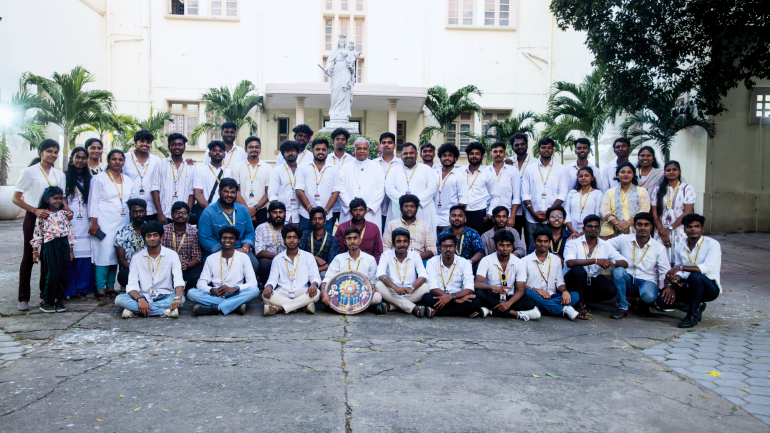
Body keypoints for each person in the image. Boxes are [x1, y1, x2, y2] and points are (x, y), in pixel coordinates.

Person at [13, 139, 68, 311]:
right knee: (29, 256)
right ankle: (23, 298)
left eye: (56, 152)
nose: (53, 155)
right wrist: (35, 210)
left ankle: (47, 296)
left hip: (55, 219)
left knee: (51, 259)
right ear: (41, 152)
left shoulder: (60, 175)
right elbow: (16, 198)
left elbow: (62, 200)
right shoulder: (29, 172)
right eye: (49, 151)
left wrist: (68, 212)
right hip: (34, 217)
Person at [661, 214, 722, 328]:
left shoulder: (712, 244)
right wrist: (674, 281)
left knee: (695, 276)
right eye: (689, 227)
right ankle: (697, 306)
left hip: (709, 288)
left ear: (702, 229)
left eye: (696, 226)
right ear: (684, 229)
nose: (693, 229)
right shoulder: (681, 246)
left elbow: (706, 268)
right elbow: (679, 271)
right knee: (662, 301)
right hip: (689, 286)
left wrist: (680, 268)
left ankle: (692, 316)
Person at [89, 149, 134, 304]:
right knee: (103, 254)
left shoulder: (128, 180)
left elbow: (131, 201)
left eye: (120, 159)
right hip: (104, 221)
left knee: (115, 254)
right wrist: (94, 221)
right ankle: (100, 289)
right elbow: (93, 200)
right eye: (114, 159)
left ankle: (110, 286)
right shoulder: (99, 178)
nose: (117, 162)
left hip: (122, 221)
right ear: (108, 161)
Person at [115, 222, 185, 319]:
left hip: (165, 295)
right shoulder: (136, 258)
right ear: (144, 239)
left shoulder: (172, 255)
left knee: (181, 299)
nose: (152, 239)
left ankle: (135, 311)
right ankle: (164, 311)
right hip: (143, 295)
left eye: (155, 235)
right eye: (148, 236)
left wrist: (177, 298)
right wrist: (140, 299)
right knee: (119, 299)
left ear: (161, 237)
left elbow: (178, 279)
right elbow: (132, 284)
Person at [564, 214, 628, 319]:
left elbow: (625, 262)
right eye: (590, 226)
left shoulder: (605, 245)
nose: (593, 229)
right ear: (583, 229)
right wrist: (596, 261)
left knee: (611, 290)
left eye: (596, 227)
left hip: (591, 278)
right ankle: (580, 304)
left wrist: (610, 262)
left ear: (599, 229)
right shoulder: (573, 242)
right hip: (572, 280)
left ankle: (587, 300)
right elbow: (569, 263)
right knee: (578, 270)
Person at [607, 213, 669, 319]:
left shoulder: (659, 248)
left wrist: (668, 287)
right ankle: (623, 307)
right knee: (617, 271)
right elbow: (603, 246)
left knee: (649, 297)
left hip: (647, 280)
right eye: (639, 224)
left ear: (651, 226)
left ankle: (643, 305)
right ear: (634, 226)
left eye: (646, 225)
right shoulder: (623, 239)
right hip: (628, 278)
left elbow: (665, 270)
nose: (643, 228)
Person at [188, 226, 260, 316]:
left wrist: (236, 288)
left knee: (255, 290)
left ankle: (217, 308)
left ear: (236, 241)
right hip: (217, 294)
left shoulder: (244, 257)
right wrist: (212, 290)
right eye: (224, 238)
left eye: (231, 238)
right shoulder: (211, 258)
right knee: (191, 293)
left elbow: (252, 282)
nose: (227, 240)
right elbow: (201, 283)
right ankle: (234, 306)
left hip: (236, 293)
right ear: (220, 240)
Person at [321, 226, 388, 315]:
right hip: (342, 293)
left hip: (361, 294)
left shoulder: (370, 259)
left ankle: (338, 307)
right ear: (345, 242)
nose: (352, 241)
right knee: (329, 295)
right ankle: (366, 308)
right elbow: (327, 278)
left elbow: (374, 281)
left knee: (377, 297)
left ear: (360, 240)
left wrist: (373, 287)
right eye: (349, 239)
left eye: (355, 238)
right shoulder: (339, 258)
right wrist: (323, 292)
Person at [475, 229, 540, 320]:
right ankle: (514, 313)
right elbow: (477, 284)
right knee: (479, 293)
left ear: (512, 247)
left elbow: (520, 289)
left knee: (530, 302)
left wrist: (508, 303)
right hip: (491, 295)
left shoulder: (519, 263)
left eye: (508, 245)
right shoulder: (486, 260)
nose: (505, 249)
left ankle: (491, 310)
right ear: (495, 247)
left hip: (508, 297)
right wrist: (493, 288)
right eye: (501, 245)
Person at [31, 186, 75, 313]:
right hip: (50, 245)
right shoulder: (43, 215)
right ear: (47, 199)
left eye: (60, 198)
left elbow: (70, 232)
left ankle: (59, 299)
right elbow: (37, 234)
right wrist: (35, 252)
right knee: (51, 273)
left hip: (64, 244)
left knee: (63, 273)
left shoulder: (65, 214)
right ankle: (47, 301)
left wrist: (71, 251)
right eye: (55, 198)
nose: (58, 201)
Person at [263, 224, 322, 316]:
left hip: (302, 292)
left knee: (317, 292)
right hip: (283, 292)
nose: (292, 240)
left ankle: (279, 308)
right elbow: (272, 279)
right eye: (289, 237)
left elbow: (315, 277)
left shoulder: (308, 257)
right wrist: (268, 287)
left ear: (299, 240)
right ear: (284, 240)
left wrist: (314, 284)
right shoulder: (277, 259)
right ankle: (302, 305)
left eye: (295, 237)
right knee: (265, 296)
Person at [522, 228, 580, 320]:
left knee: (575, 296)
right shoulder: (524, 261)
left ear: (549, 243)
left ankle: (539, 307)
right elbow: (521, 285)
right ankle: (563, 309)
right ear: (534, 243)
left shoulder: (556, 260)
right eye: (539, 241)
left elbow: (559, 281)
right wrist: (537, 290)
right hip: (534, 294)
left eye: (545, 241)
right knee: (527, 292)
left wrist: (564, 291)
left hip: (551, 296)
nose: (542, 244)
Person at [422, 233, 483, 318]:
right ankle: (463, 312)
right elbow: (432, 287)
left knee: (477, 301)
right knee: (426, 297)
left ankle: (438, 311)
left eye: (451, 246)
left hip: (458, 295)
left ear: (456, 247)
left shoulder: (465, 263)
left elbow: (469, 288)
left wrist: (451, 296)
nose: (448, 249)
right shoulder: (432, 262)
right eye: (444, 246)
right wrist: (455, 301)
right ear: (439, 248)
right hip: (440, 296)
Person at [197, 178, 256, 265]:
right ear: (219, 192)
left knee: (253, 264)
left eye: (232, 192)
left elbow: (250, 232)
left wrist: (245, 248)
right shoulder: (208, 212)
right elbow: (205, 237)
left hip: (240, 249)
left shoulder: (243, 210)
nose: (229, 195)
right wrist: (225, 252)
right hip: (217, 251)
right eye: (226, 191)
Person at [521, 137, 569, 242]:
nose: (546, 150)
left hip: (553, 218)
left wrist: (549, 213)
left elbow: (563, 193)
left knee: (552, 246)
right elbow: (524, 193)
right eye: (543, 147)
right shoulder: (529, 169)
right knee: (532, 246)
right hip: (532, 217)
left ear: (553, 150)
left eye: (549, 147)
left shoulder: (561, 169)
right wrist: (533, 213)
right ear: (538, 150)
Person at [376, 228, 430, 316]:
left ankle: (391, 306)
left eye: (405, 241)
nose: (402, 244)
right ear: (393, 243)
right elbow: (380, 273)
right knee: (379, 285)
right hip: (392, 292)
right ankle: (413, 308)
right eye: (399, 241)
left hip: (410, 292)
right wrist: (395, 287)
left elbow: (423, 275)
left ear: (409, 243)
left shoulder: (415, 256)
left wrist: (412, 288)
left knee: (425, 287)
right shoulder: (386, 255)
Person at [64, 147, 94, 300]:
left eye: (83, 158)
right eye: (77, 157)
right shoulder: (65, 176)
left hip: (86, 218)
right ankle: (69, 289)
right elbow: (62, 197)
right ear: (72, 158)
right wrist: (67, 210)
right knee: (71, 254)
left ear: (87, 160)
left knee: (85, 255)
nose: (80, 160)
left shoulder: (90, 177)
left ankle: (81, 289)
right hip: (70, 217)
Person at [385, 142, 438, 229]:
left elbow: (432, 188)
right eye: (405, 153)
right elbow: (389, 189)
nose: (408, 155)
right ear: (401, 155)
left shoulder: (426, 169)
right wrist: (404, 203)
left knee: (422, 234)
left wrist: (415, 202)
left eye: (411, 153)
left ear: (416, 154)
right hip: (399, 209)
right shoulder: (394, 170)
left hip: (422, 209)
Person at [338, 137, 386, 231]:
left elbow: (380, 191)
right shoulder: (345, 168)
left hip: (370, 213)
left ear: (368, 150)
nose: (362, 151)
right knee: (348, 236)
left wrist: (368, 208)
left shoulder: (377, 168)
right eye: (359, 148)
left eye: (365, 148)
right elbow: (341, 189)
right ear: (354, 150)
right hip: (350, 212)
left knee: (370, 235)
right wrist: (352, 208)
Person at [651, 160, 695, 263]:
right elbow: (654, 214)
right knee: (660, 258)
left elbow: (687, 213)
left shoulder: (687, 189)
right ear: (664, 172)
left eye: (674, 169)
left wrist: (669, 229)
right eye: (668, 170)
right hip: (661, 228)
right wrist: (663, 232)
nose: (671, 172)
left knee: (679, 258)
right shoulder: (658, 190)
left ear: (679, 171)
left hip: (679, 228)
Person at [296, 137, 340, 232]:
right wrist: (311, 210)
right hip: (306, 215)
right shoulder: (303, 167)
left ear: (328, 151)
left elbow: (336, 192)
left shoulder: (334, 169)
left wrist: (325, 212)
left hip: (326, 217)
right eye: (317, 149)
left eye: (323, 149)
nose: (321, 152)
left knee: (325, 240)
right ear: (312, 150)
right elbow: (299, 190)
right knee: (306, 240)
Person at [151, 132, 196, 225]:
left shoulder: (190, 167)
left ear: (184, 147)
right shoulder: (160, 165)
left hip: (182, 216)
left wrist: (187, 213)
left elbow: (191, 193)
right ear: (169, 147)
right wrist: (159, 213)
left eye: (180, 144)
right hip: (164, 215)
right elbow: (155, 189)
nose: (177, 147)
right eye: (173, 144)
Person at [600, 162, 651, 237]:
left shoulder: (642, 191)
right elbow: (604, 210)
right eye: (622, 172)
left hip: (635, 229)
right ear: (617, 175)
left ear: (633, 175)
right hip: (613, 231)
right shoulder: (609, 192)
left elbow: (644, 209)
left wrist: (628, 223)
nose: (626, 174)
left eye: (629, 172)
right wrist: (618, 225)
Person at [161, 202, 202, 292]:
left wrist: (187, 265)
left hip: (186, 265)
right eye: (177, 213)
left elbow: (197, 257)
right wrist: (174, 262)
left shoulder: (194, 232)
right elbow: (161, 251)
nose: (180, 215)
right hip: (167, 264)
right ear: (172, 215)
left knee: (197, 275)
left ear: (188, 215)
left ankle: (187, 293)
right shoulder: (164, 230)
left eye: (184, 213)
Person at [382, 195, 437, 262]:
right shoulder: (392, 224)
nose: (409, 209)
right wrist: (399, 258)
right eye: (406, 206)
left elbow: (433, 250)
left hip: (419, 261)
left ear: (417, 208)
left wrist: (415, 258)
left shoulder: (425, 226)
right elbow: (385, 248)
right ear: (400, 208)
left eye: (412, 206)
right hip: (396, 261)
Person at [232, 136, 272, 228]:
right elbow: (235, 191)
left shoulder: (267, 168)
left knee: (260, 236)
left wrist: (255, 209)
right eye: (251, 147)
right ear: (245, 149)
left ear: (260, 149)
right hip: (241, 210)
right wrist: (247, 211)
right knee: (241, 235)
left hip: (261, 210)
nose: (254, 149)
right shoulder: (237, 167)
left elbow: (268, 192)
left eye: (257, 147)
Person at [123, 130, 162, 221]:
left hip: (151, 209)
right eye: (141, 141)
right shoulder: (125, 158)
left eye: (148, 142)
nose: (145, 144)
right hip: (130, 209)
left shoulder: (156, 160)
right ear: (135, 143)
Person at [461, 142, 498, 234]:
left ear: (482, 156)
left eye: (477, 154)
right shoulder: (460, 172)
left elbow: (495, 196)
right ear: (468, 156)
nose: (474, 156)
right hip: (461, 213)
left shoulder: (488, 174)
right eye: (471, 154)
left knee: (479, 241)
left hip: (479, 215)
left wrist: (489, 215)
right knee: (462, 240)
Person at [437, 206, 485, 271]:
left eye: (460, 216)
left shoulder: (472, 233)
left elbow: (481, 251)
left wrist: (469, 262)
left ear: (465, 219)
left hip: (469, 266)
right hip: (448, 267)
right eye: (454, 216)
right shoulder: (443, 235)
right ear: (449, 219)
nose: (457, 218)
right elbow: (439, 254)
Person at [434, 143, 469, 233]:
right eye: (444, 155)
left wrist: (456, 219)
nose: (447, 158)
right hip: (433, 218)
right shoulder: (434, 173)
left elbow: (463, 201)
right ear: (440, 158)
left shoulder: (460, 176)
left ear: (455, 158)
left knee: (449, 241)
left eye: (450, 155)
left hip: (449, 220)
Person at [115, 198, 148, 292]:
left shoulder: (152, 230)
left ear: (146, 212)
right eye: (135, 212)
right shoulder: (122, 233)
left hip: (151, 268)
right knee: (123, 275)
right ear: (130, 214)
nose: (138, 214)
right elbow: (121, 260)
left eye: (141, 211)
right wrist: (137, 271)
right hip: (131, 269)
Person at [336, 198, 383, 262]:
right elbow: (339, 251)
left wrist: (374, 265)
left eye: (361, 210)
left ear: (365, 211)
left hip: (368, 263)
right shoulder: (342, 227)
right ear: (350, 212)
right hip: (347, 262)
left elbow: (378, 253)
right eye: (355, 210)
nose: (358, 213)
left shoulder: (373, 228)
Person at [193, 141, 232, 217]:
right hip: (207, 212)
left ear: (224, 155)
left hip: (226, 212)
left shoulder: (230, 172)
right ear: (209, 154)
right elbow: (197, 194)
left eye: (220, 151)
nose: (217, 153)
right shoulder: (201, 171)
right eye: (214, 150)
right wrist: (211, 212)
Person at [485, 141, 520, 230]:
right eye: (495, 151)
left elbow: (516, 197)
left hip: (505, 215)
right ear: (490, 154)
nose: (498, 154)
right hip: (488, 214)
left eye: (501, 151)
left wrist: (512, 217)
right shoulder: (484, 171)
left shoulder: (513, 171)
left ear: (504, 154)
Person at [507, 133, 533, 246]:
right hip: (514, 208)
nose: (520, 147)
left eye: (522, 144)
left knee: (530, 240)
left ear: (526, 145)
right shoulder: (507, 162)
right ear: (513, 147)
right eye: (516, 145)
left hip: (530, 208)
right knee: (513, 239)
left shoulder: (535, 162)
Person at [299, 207, 339, 277]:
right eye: (314, 219)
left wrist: (314, 270)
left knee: (324, 274)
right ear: (310, 221)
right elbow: (299, 254)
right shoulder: (304, 235)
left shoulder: (332, 240)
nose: (317, 221)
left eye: (320, 218)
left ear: (325, 221)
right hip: (305, 268)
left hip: (322, 270)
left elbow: (331, 264)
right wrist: (316, 258)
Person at [268, 140, 303, 224]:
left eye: (293, 150)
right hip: (283, 215)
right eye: (287, 151)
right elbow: (272, 194)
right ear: (283, 154)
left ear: (297, 152)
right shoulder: (277, 171)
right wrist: (278, 212)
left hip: (300, 214)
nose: (290, 153)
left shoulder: (303, 170)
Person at [254, 202, 288, 285]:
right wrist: (277, 257)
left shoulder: (290, 227)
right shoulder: (261, 228)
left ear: (285, 213)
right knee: (264, 263)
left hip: (287, 259)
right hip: (269, 260)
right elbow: (259, 252)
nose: (278, 215)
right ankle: (267, 286)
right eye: (274, 212)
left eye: (280, 212)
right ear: (269, 214)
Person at [565, 166, 603, 239]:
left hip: (590, 231)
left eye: (586, 176)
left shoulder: (597, 193)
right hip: (571, 232)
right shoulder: (572, 193)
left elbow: (597, 214)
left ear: (592, 178)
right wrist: (573, 231)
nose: (583, 178)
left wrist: (583, 232)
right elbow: (567, 213)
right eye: (580, 176)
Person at [374, 132, 402, 230]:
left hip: (395, 206)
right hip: (376, 207)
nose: (386, 145)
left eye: (389, 142)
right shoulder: (373, 163)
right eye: (384, 142)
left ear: (394, 146)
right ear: (380, 145)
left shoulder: (401, 163)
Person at [328, 127, 353, 227]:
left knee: (346, 230)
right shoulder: (326, 160)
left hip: (345, 204)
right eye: (337, 139)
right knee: (328, 230)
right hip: (329, 202)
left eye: (343, 139)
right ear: (333, 142)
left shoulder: (352, 160)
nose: (340, 141)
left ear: (347, 142)